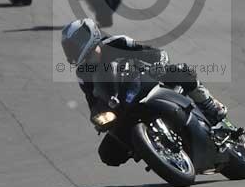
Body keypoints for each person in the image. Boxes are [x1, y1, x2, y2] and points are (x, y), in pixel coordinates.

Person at [61, 19, 228, 125]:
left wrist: (158, 65)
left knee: (182, 71)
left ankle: (208, 104)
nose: (74, 50)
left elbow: (154, 52)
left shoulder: (116, 42)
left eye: (74, 45)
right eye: (70, 48)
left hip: (146, 79)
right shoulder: (82, 73)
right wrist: (97, 117)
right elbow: (92, 101)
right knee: (108, 154)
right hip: (123, 104)